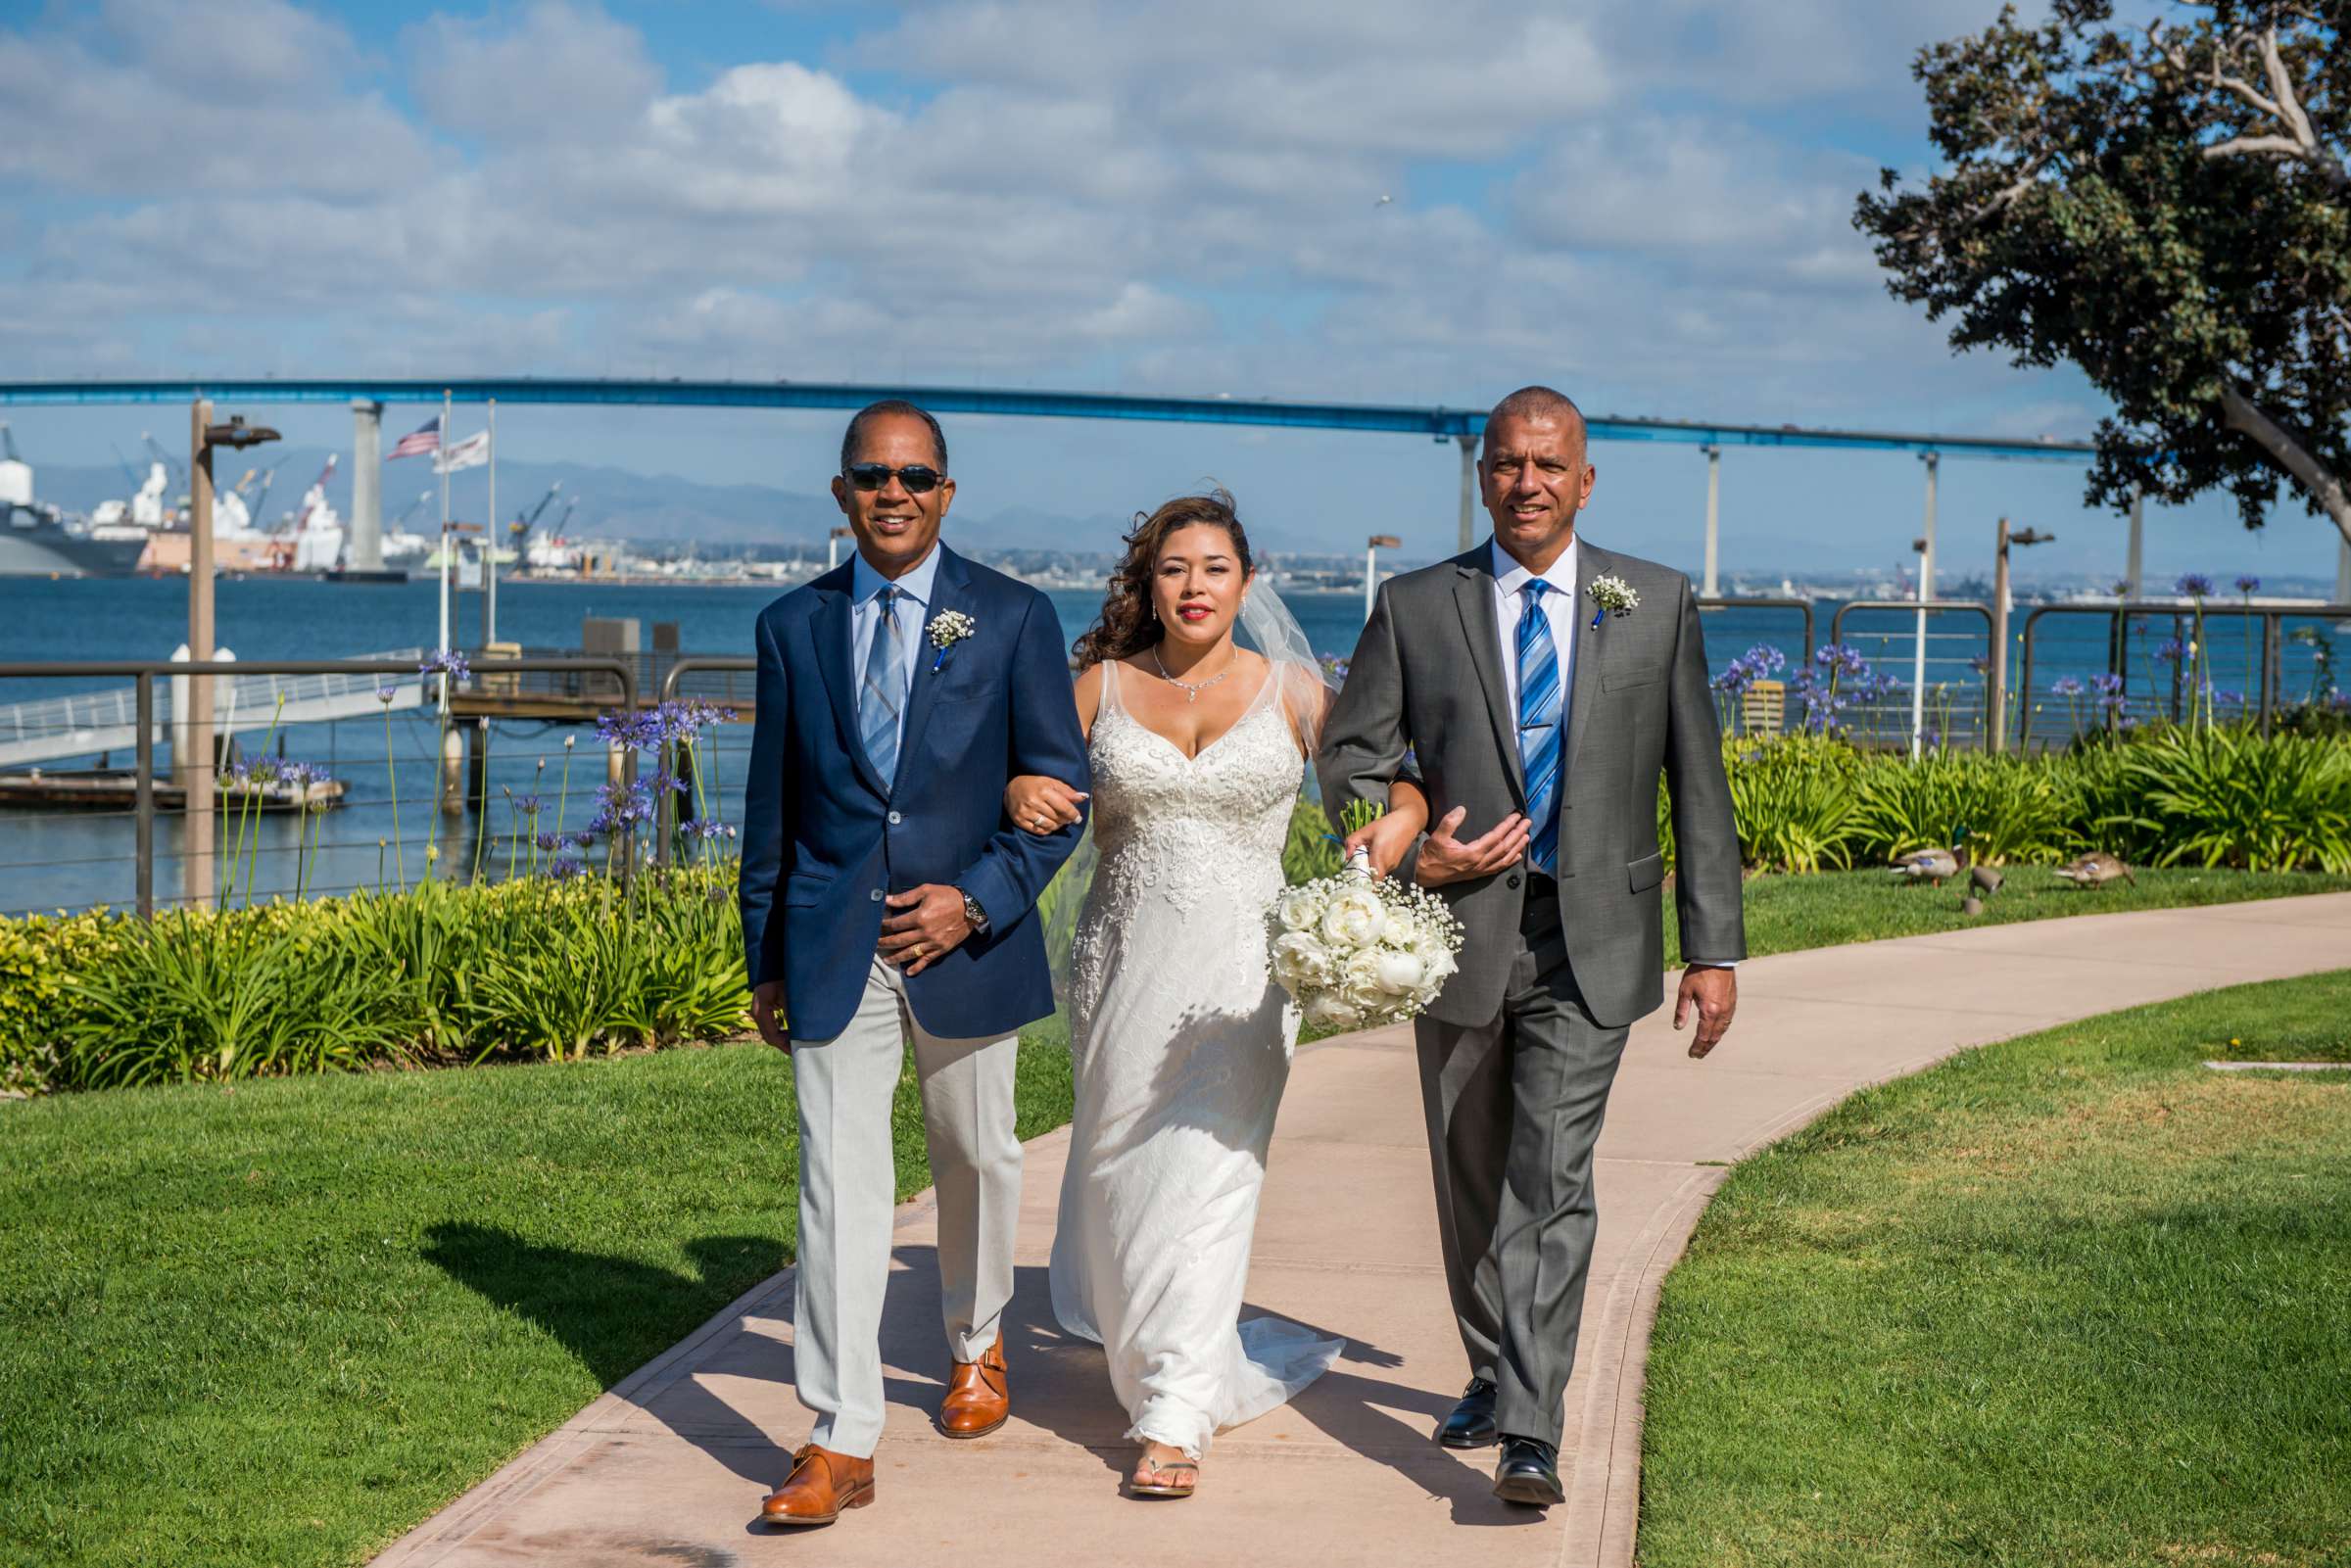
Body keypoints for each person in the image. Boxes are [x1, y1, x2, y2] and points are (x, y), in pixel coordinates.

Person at [1319, 386, 1745, 1510]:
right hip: (1456, 933)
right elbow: (1351, 756)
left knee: (1549, 1177)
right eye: (1508, 463)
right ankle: (1489, 1363)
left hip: (1593, 935)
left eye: (1550, 464)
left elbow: (1697, 780)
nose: (1528, 482)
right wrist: (1412, 848)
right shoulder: (1419, 604)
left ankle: (1530, 1428)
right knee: (1470, 1173)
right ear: (1482, 476)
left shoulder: (1653, 600)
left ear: (1586, 479)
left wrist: (1715, 948)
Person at [1002, 491, 1415, 1498]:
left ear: (1247, 581)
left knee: (1208, 1179)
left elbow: (1396, 782)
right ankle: (1160, 1352)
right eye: (1175, 567)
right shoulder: (1096, 687)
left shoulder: (1297, 693)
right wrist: (1018, 790)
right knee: (1119, 1175)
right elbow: (1022, 784)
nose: (1194, 586)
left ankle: (1173, 1414)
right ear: (1149, 583)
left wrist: (1401, 822)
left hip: (1243, 975)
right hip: (1123, 966)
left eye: (1214, 568)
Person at [738, 400, 1089, 1528]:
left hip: (966, 942)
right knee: (836, 1184)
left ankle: (976, 1342)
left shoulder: (1015, 616)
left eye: (915, 475)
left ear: (947, 491)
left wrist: (974, 898)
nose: (893, 493)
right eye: (871, 475)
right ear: (842, 494)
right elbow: (772, 807)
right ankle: (839, 1435)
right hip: (833, 943)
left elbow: (1057, 799)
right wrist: (765, 955)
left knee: (975, 1152)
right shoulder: (791, 625)